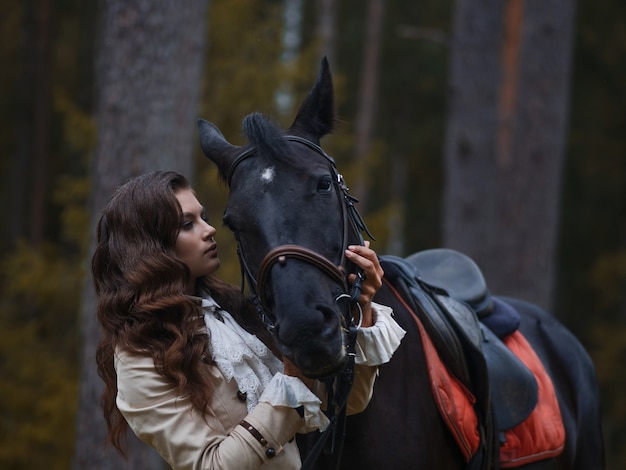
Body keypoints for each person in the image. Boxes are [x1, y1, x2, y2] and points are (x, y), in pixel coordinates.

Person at [94, 170, 405, 469]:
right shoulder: (139, 356)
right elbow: (210, 465)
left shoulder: (233, 311)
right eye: (188, 224)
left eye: (204, 217)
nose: (210, 229)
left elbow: (347, 403)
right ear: (150, 248)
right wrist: (292, 380)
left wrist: (361, 307)